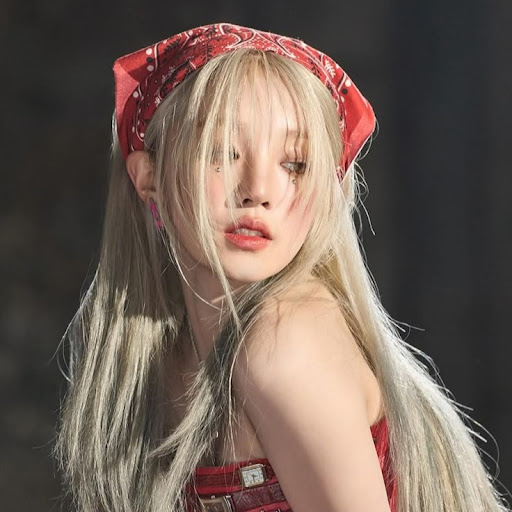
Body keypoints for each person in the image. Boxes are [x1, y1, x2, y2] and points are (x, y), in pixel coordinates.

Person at [55, 23, 509, 512]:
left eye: (295, 163)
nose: (258, 191)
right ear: (149, 178)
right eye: (221, 153)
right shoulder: (168, 361)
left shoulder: (283, 341)